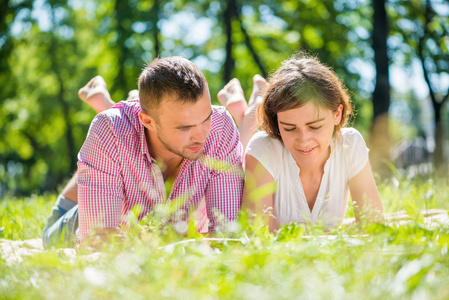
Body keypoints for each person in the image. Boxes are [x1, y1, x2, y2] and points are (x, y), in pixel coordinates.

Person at [43, 57, 245, 248]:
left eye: (206, 119)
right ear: (147, 121)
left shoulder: (221, 125)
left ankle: (111, 104)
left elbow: (225, 234)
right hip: (92, 211)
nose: (201, 136)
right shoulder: (108, 129)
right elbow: (98, 245)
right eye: (185, 128)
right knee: (49, 238)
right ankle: (110, 109)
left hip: (160, 225)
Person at [242, 53, 383, 232]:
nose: (303, 140)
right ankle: (252, 104)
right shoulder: (264, 148)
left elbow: (374, 227)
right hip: (251, 148)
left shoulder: (350, 144)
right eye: (289, 128)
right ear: (277, 122)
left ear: (337, 114)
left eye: (315, 127)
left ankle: (255, 98)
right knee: (244, 138)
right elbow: (257, 239)